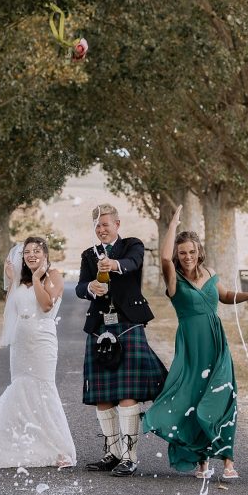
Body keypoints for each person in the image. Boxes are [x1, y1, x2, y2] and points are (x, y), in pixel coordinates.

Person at [144, 206, 248, 479]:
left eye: (192, 251)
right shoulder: (173, 277)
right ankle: (202, 462)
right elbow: (164, 258)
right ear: (177, 254)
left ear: (199, 251)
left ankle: (228, 461)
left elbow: (224, 296)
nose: (187, 257)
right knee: (195, 398)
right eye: (182, 252)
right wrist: (173, 224)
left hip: (216, 343)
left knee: (223, 395)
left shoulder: (209, 272)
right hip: (191, 347)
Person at [0, 237, 76, 469]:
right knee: (20, 389)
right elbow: (11, 312)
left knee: (43, 389)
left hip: (43, 341)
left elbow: (46, 306)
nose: (31, 255)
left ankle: (59, 449)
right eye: (27, 252)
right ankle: (19, 444)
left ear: (45, 254)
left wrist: (36, 278)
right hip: (21, 344)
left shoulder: (53, 276)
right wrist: (13, 282)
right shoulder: (17, 282)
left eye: (36, 251)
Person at [76, 203, 167, 477]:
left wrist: (114, 264)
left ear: (117, 224)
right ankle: (112, 453)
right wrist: (90, 288)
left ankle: (130, 457)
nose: (102, 229)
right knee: (103, 396)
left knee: (128, 393)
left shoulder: (131, 245)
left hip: (128, 324)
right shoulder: (88, 255)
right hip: (100, 326)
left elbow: (133, 263)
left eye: (106, 224)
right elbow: (81, 286)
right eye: (97, 226)